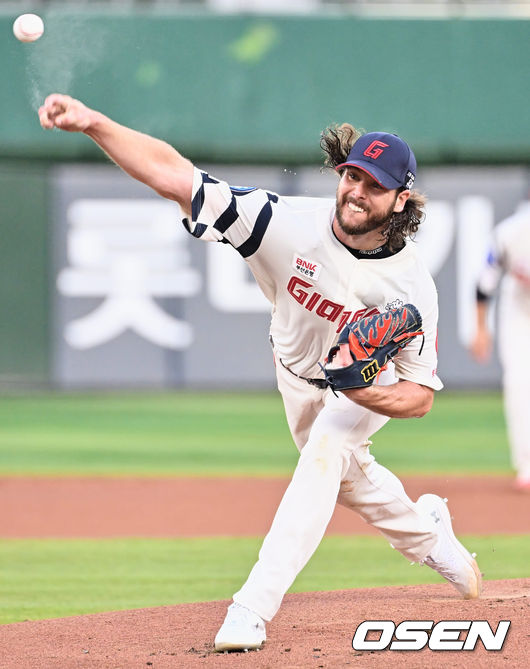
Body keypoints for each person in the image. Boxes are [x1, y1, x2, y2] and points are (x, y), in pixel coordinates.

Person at [39, 94, 482, 651]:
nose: (356, 191)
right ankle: (435, 541)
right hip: (294, 374)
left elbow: (419, 396)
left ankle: (251, 609)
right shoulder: (284, 222)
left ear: (400, 199)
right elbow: (180, 180)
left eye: (374, 185)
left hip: (358, 396)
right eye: (351, 176)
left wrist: (361, 387)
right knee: (349, 480)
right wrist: (94, 124)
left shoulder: (413, 285)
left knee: (326, 452)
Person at [470, 195, 530, 492]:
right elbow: (484, 285)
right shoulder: (513, 232)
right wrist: (481, 329)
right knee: (519, 383)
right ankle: (527, 466)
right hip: (519, 310)